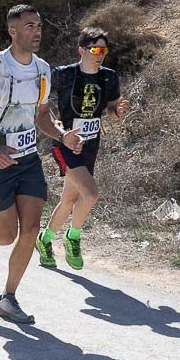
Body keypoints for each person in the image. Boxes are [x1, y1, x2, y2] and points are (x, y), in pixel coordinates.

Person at [0, 5, 82, 324]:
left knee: (32, 229)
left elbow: (41, 117)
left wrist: (62, 135)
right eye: (29, 26)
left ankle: (8, 298)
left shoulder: (42, 70)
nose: (36, 32)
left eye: (39, 26)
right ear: (13, 31)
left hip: (28, 159)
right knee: (6, 234)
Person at [36, 26, 131, 270]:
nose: (100, 54)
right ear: (81, 49)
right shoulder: (64, 75)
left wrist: (117, 111)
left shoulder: (109, 77)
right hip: (66, 143)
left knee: (69, 199)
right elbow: (42, 105)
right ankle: (73, 237)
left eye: (104, 49)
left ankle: (45, 240)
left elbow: (110, 107)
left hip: (90, 144)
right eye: (95, 49)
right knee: (90, 194)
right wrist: (59, 128)